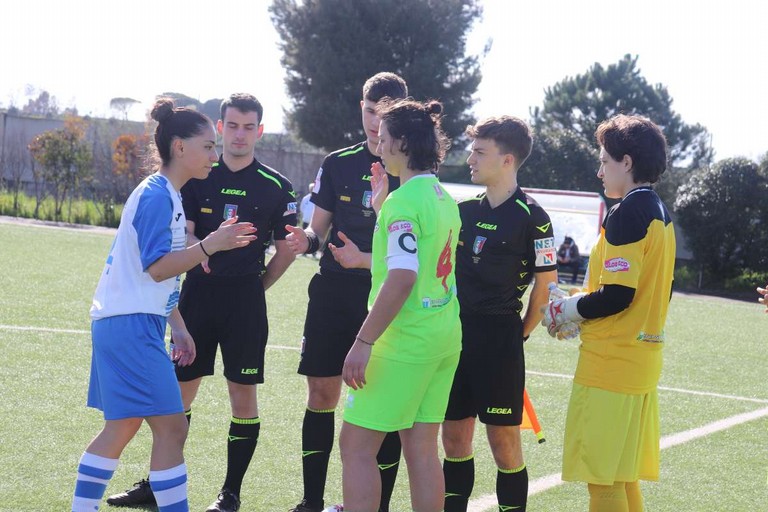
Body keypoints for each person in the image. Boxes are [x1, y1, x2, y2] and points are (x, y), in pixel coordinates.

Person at [106, 93, 297, 512]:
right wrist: (204, 246)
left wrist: (257, 287)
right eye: (232, 126)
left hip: (246, 301)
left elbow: (285, 250)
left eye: (249, 127)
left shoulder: (277, 187)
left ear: (259, 131)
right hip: (196, 297)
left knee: (243, 396)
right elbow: (184, 234)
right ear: (221, 126)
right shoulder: (197, 174)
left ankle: (230, 493)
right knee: (177, 396)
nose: (239, 135)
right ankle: (158, 485)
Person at [72, 98, 257, 512]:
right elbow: (157, 269)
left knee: (122, 426)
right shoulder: (158, 195)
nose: (215, 153)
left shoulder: (168, 193)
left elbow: (154, 272)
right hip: (130, 325)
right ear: (179, 148)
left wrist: (179, 324)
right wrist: (211, 245)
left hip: (130, 322)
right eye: (208, 146)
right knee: (172, 428)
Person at [284, 72, 408, 512]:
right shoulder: (337, 163)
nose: (376, 123)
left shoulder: (410, 174)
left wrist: (365, 260)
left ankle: (377, 507)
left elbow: (416, 261)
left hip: (387, 301)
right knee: (321, 394)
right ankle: (311, 502)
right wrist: (306, 241)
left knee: (384, 406)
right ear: (361, 108)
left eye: (386, 113)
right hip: (333, 293)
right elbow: (317, 230)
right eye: (370, 111)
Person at [541, 114, 676, 511]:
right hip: (639, 359)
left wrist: (569, 309)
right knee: (621, 475)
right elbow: (652, 293)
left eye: (604, 161)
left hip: (611, 365)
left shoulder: (629, 211)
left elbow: (618, 295)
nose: (599, 170)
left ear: (627, 162)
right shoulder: (658, 212)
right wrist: (581, 306)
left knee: (603, 483)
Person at [339, 98, 462, 512]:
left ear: (404, 144)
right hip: (442, 338)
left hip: (404, 342)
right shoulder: (443, 198)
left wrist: (363, 340)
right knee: (421, 448)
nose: (378, 145)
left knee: (356, 445)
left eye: (383, 138)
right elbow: (419, 264)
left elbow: (403, 278)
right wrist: (382, 209)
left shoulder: (404, 202)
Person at [441, 116, 557, 512]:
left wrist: (519, 335)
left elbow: (545, 288)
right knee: (454, 436)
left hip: (501, 340)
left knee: (503, 442)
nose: (470, 158)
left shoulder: (534, 217)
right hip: (452, 338)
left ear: (507, 160)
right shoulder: (461, 211)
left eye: (479, 151)